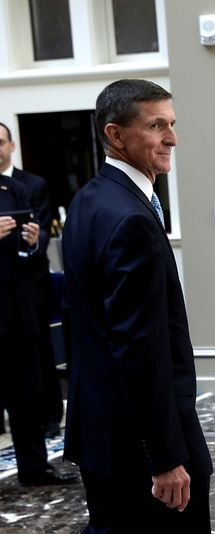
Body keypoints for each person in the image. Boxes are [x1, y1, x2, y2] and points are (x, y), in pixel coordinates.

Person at [62, 79, 213, 533]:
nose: (172, 138)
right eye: (156, 126)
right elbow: (139, 350)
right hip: (142, 447)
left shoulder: (88, 201)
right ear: (116, 135)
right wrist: (165, 459)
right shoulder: (129, 218)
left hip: (102, 434)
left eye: (172, 124)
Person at [0, 169, 77, 486]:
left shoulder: (15, 188)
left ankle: (34, 468)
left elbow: (37, 241)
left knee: (26, 396)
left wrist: (32, 241)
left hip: (18, 309)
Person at [0, 122, 64, 439]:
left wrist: (31, 239)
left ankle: (50, 417)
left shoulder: (32, 184)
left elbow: (38, 231)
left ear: (11, 146)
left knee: (40, 354)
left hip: (31, 284)